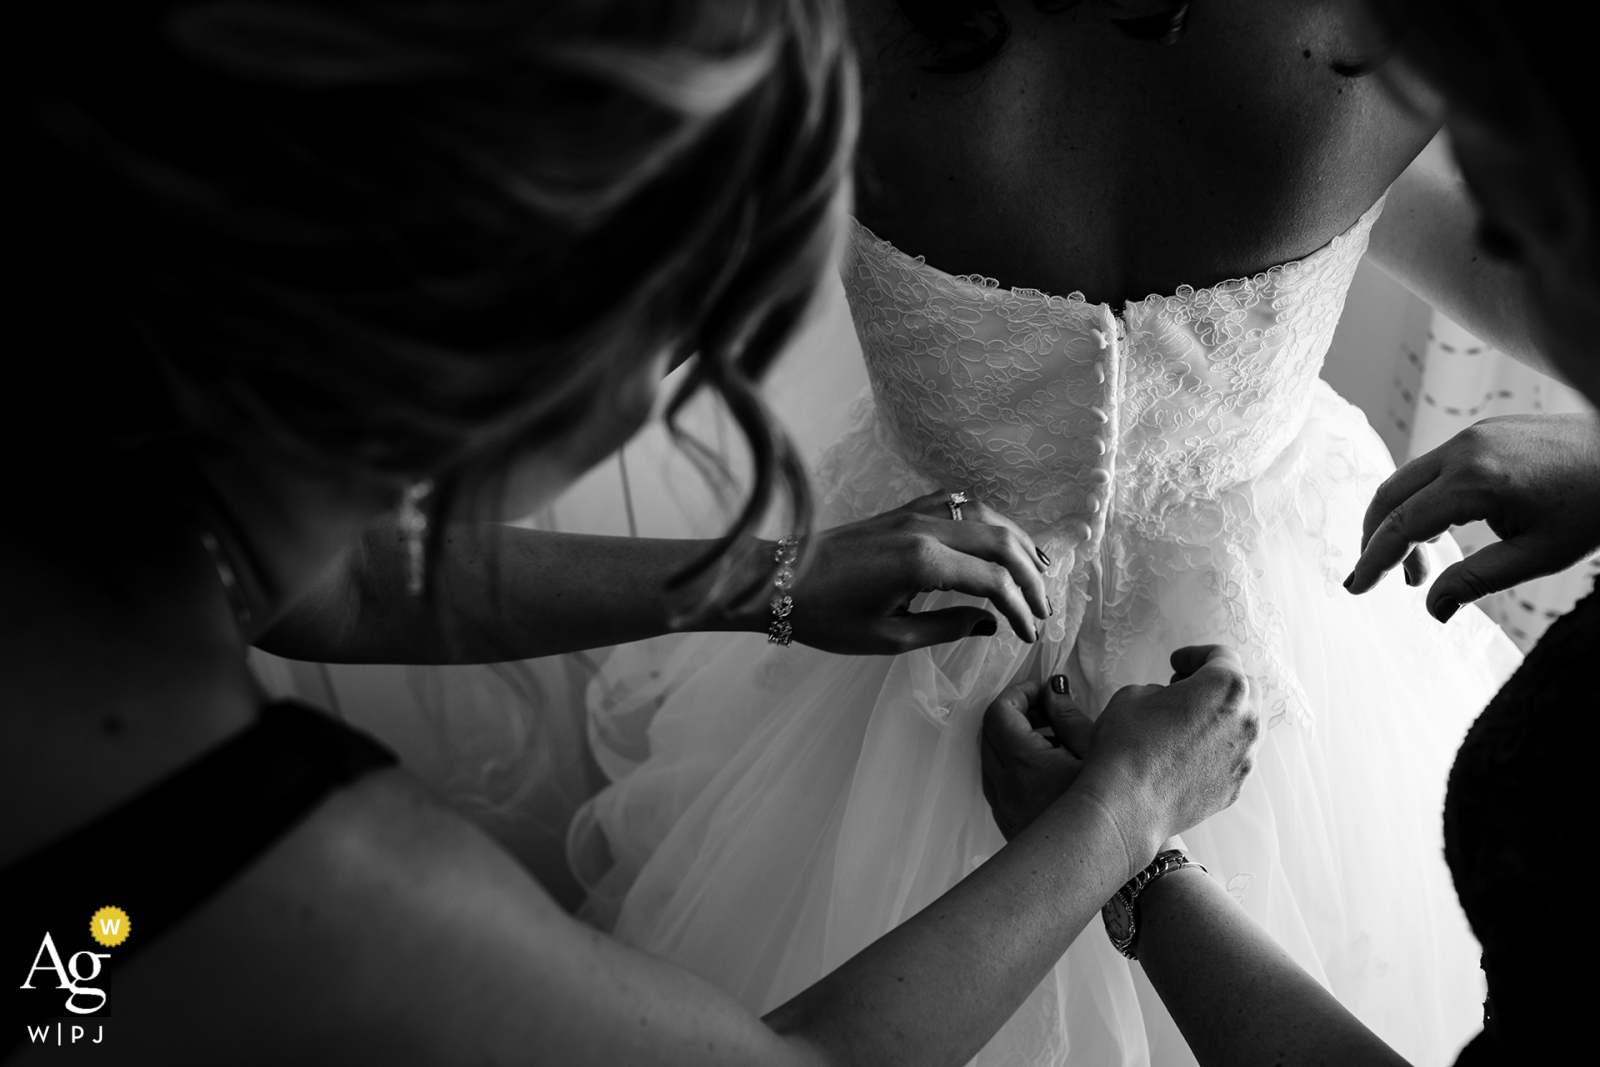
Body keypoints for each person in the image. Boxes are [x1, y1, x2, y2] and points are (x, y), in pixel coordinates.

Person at [0, 2, 1267, 1064]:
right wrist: (1125, 808)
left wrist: (771, 580)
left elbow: (335, 593)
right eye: (677, 319)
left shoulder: (123, 478)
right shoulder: (292, 880)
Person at [570, 2, 1529, 1063]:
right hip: (1248, 656)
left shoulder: (815, 33)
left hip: (920, 637)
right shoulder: (1391, 36)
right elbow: (1520, 270)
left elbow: (527, 398)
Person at [980, 0, 1600, 1061]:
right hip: (924, 645)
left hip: (1291, 646)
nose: (1495, 213)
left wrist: (1122, 857)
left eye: (1527, 201)